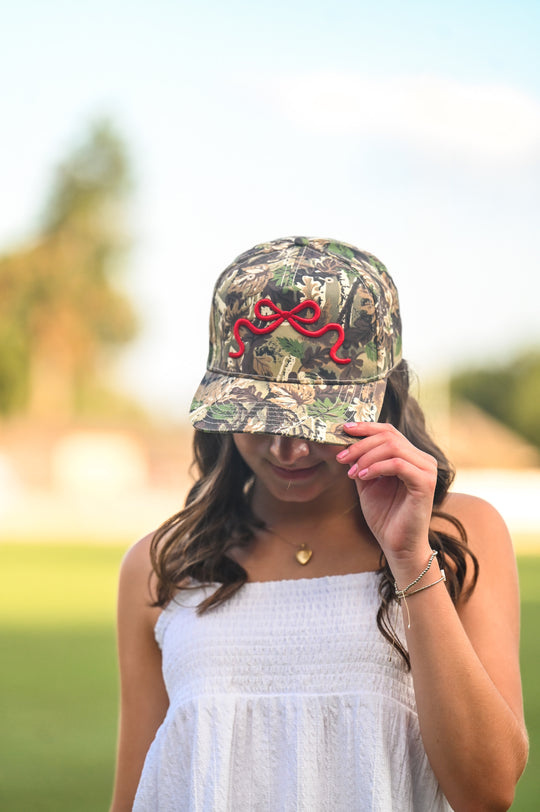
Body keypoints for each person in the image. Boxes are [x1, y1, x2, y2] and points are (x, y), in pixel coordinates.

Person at [109, 236, 528, 812]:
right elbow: (138, 794)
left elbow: (488, 792)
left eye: (319, 420)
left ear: (385, 398)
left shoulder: (459, 535)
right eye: (257, 415)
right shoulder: (163, 564)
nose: (288, 448)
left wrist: (409, 558)